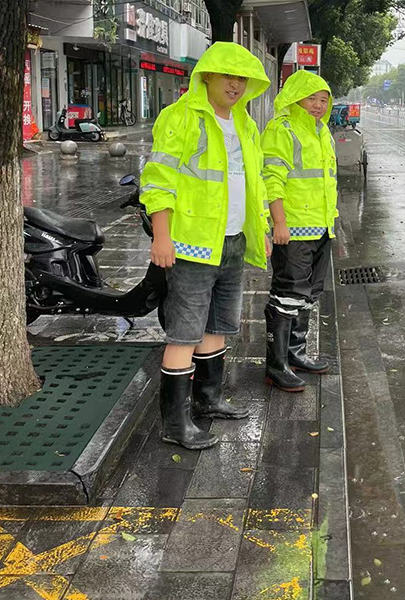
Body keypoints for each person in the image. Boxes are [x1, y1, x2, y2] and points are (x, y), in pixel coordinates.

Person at [140, 42, 272, 449]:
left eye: (242, 79)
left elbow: (256, 184)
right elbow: (158, 178)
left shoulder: (245, 123)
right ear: (208, 76)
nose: (236, 85)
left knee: (217, 324)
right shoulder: (181, 118)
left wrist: (262, 228)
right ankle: (174, 424)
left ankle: (208, 400)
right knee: (184, 331)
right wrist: (162, 235)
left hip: (232, 240)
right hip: (192, 243)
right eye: (228, 76)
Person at [261, 70, 338, 392]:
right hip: (293, 230)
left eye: (324, 100)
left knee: (308, 297)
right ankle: (276, 365)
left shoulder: (322, 132)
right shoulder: (283, 129)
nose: (318, 105)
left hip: (321, 228)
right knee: (287, 295)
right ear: (295, 97)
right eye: (312, 98)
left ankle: (296, 353)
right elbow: (271, 179)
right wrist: (278, 222)